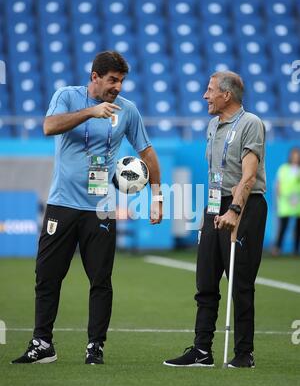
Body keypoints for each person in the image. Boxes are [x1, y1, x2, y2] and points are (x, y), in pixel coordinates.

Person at [12, 51, 163, 365]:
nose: (118, 87)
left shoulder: (128, 111)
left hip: (101, 209)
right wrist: (91, 112)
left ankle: (95, 347)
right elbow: (49, 126)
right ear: (95, 77)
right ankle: (42, 344)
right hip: (62, 205)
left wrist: (157, 196)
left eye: (121, 81)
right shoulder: (67, 97)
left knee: (101, 280)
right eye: (112, 80)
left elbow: (147, 153)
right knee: (47, 276)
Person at [164, 71, 267, 368]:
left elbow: (248, 175)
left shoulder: (251, 124)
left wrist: (234, 211)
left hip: (245, 206)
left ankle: (244, 353)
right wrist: (209, 214)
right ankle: (201, 350)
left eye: (209, 90)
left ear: (227, 95)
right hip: (213, 206)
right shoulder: (212, 125)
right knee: (206, 280)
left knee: (241, 282)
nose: (204, 96)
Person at [272, 148, 300, 256]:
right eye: (294, 155)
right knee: (283, 226)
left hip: (298, 203)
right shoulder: (284, 169)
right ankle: (277, 248)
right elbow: (278, 183)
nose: (296, 157)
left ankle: (295, 250)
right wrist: (279, 198)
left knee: (298, 228)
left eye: (297, 155)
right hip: (285, 202)